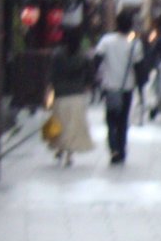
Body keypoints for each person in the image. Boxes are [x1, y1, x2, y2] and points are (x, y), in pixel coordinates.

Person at [94, 13, 143, 165]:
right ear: (130, 26)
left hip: (110, 87)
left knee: (110, 120)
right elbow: (138, 66)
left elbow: (97, 59)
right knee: (123, 120)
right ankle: (121, 149)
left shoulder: (106, 41)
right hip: (126, 87)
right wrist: (140, 87)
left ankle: (113, 148)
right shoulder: (135, 44)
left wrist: (98, 77)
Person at [47, 31, 95, 168]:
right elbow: (90, 74)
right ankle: (69, 154)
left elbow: (52, 74)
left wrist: (50, 88)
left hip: (60, 94)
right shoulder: (83, 56)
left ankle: (59, 149)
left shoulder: (57, 55)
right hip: (77, 94)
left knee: (59, 123)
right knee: (73, 125)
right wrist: (87, 86)